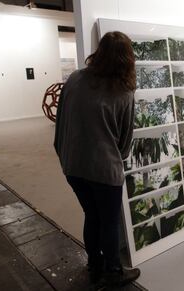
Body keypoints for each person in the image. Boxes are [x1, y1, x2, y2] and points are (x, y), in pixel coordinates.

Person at [54, 31, 140, 288]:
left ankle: (94, 265)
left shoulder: (75, 78)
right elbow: (125, 141)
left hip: (73, 166)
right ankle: (113, 272)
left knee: (91, 215)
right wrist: (116, 159)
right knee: (109, 222)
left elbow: (60, 121)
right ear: (127, 58)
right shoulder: (123, 91)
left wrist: (63, 152)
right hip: (103, 170)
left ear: (99, 51)